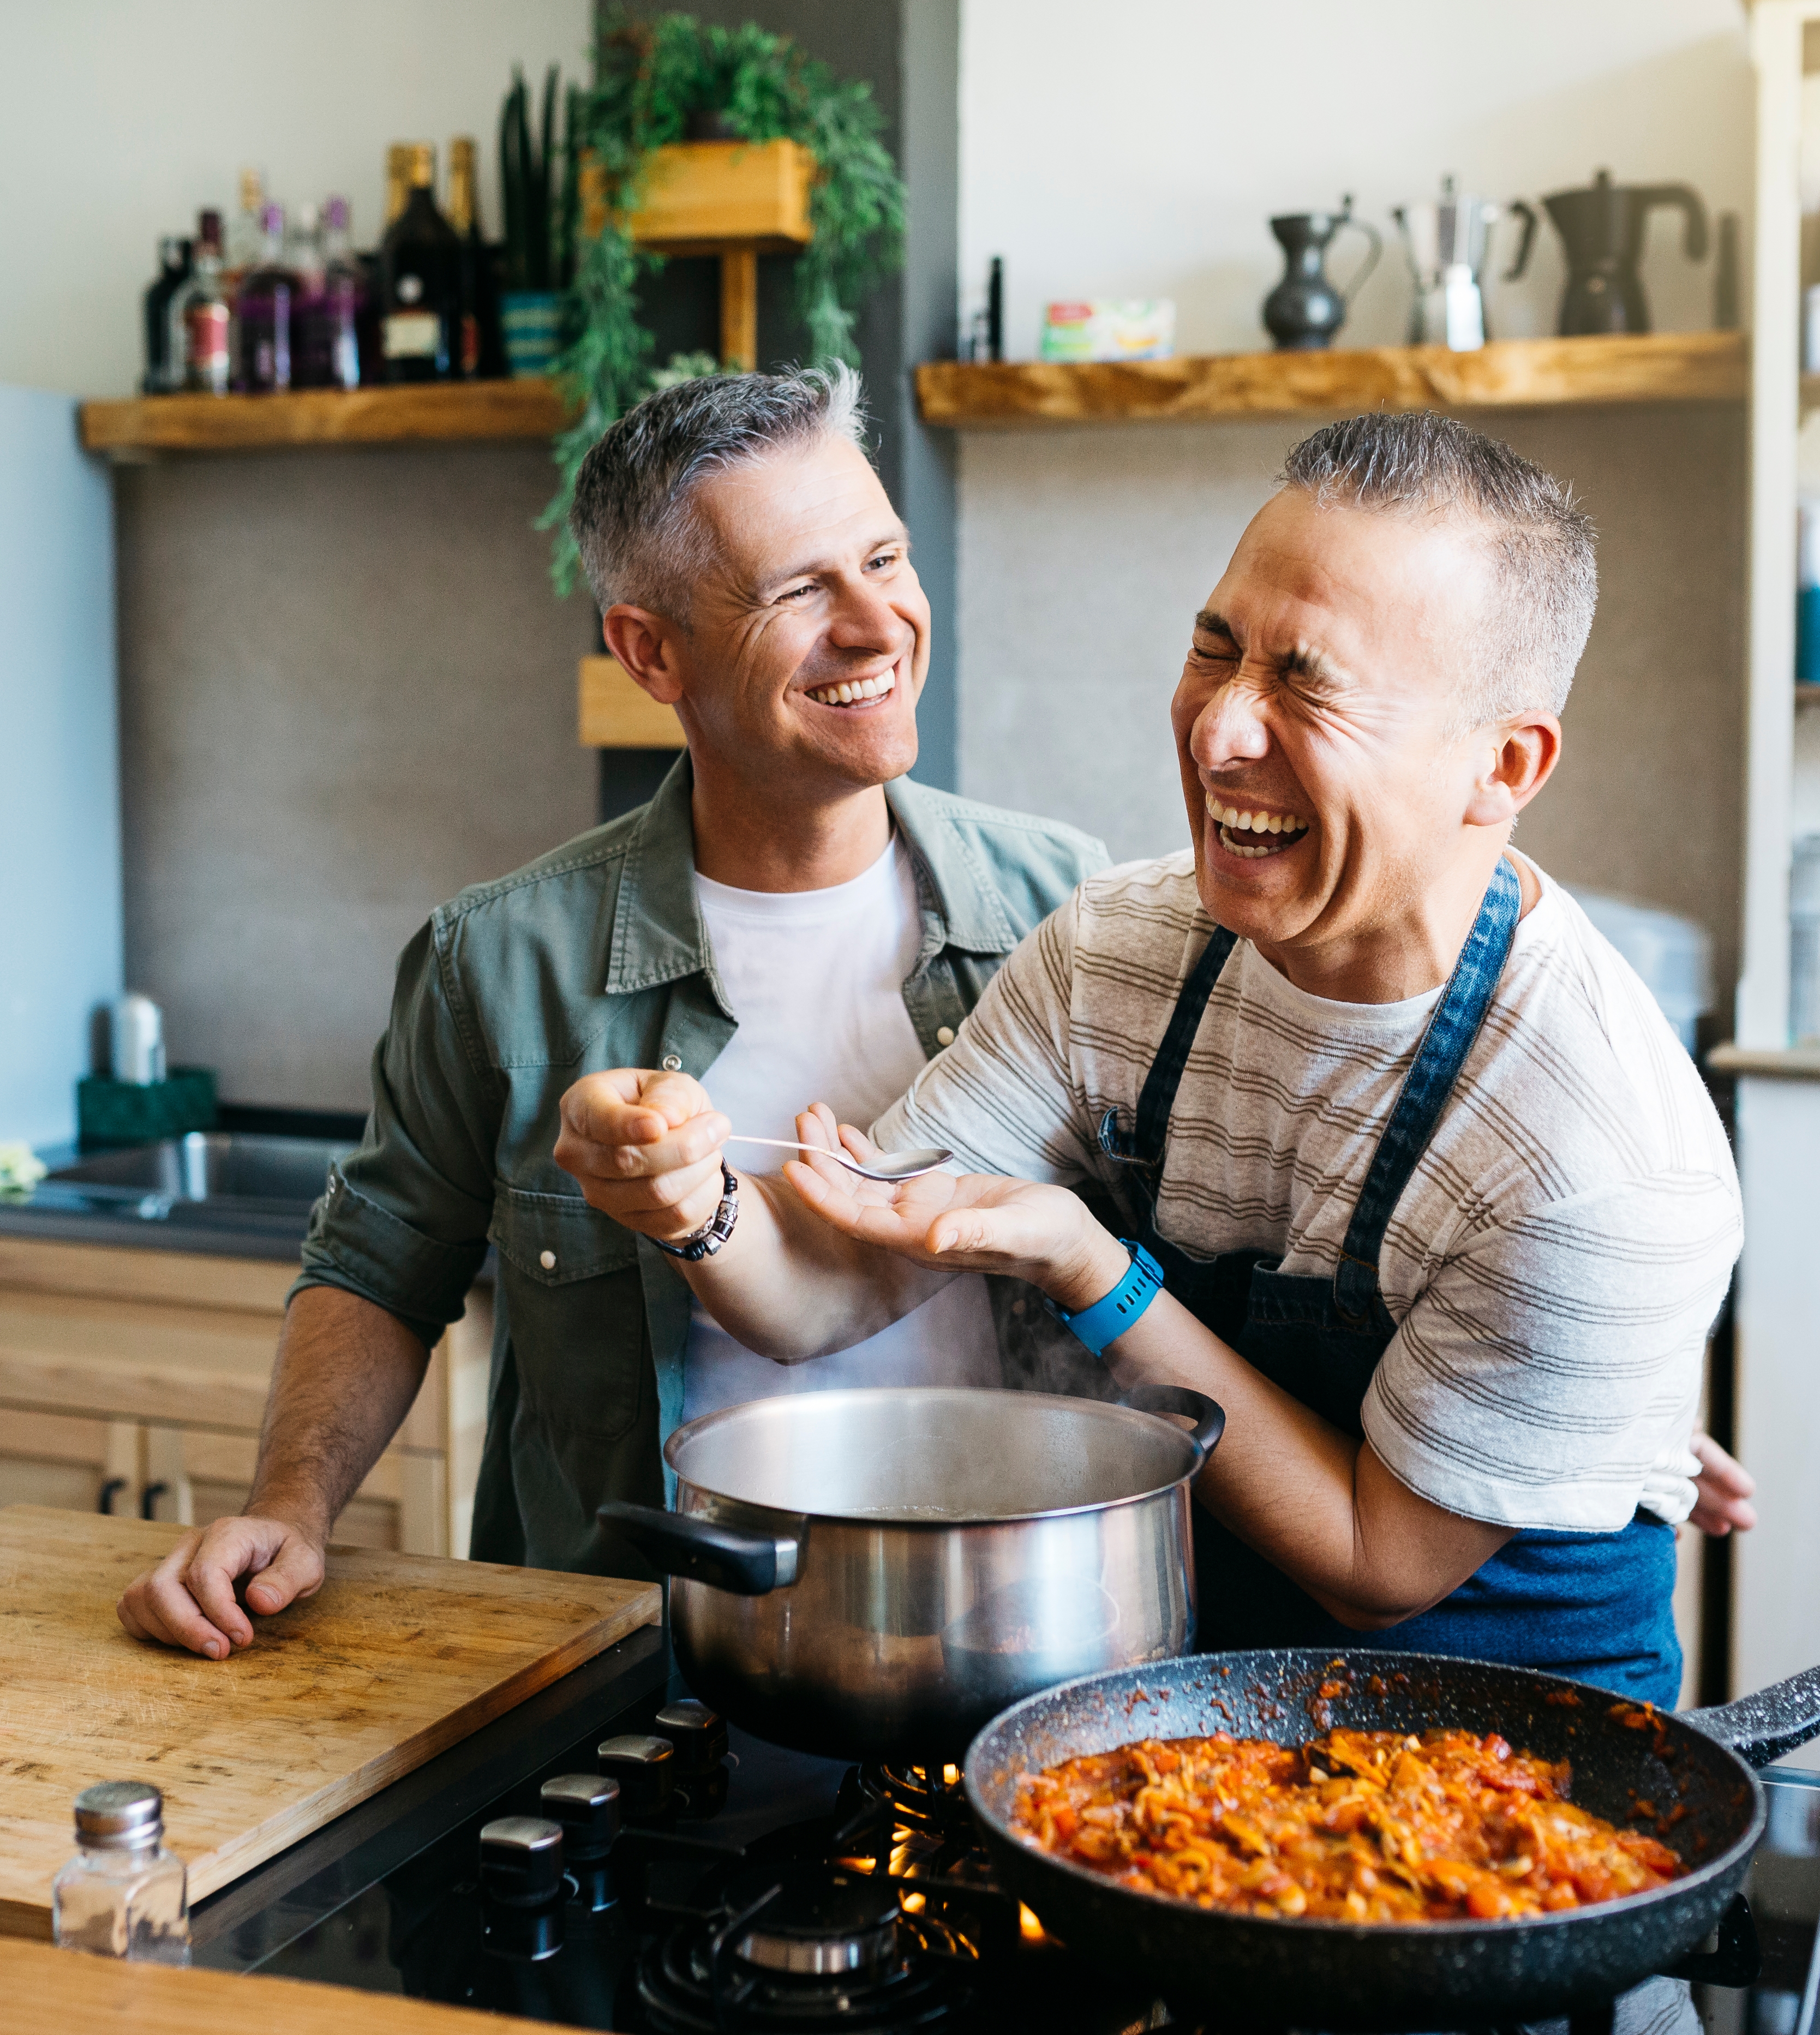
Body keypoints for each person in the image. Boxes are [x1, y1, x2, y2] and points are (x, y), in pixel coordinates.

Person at [555, 411, 1747, 1703]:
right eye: (1213, 648)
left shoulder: (1603, 1159)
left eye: (1308, 682)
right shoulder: (1118, 953)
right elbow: (832, 1284)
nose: (1220, 731)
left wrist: (1095, 1271)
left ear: (1501, 765)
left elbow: (1375, 1561)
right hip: (1182, 1711)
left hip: (1497, 1762)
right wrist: (693, 1205)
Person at [117, 365, 1108, 1659]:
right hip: (639, 1672)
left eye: (886, 558)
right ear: (651, 650)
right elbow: (375, 1265)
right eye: (802, 589)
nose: (878, 624)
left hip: (1013, 1647)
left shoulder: (1074, 911)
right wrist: (289, 1507)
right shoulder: (499, 960)